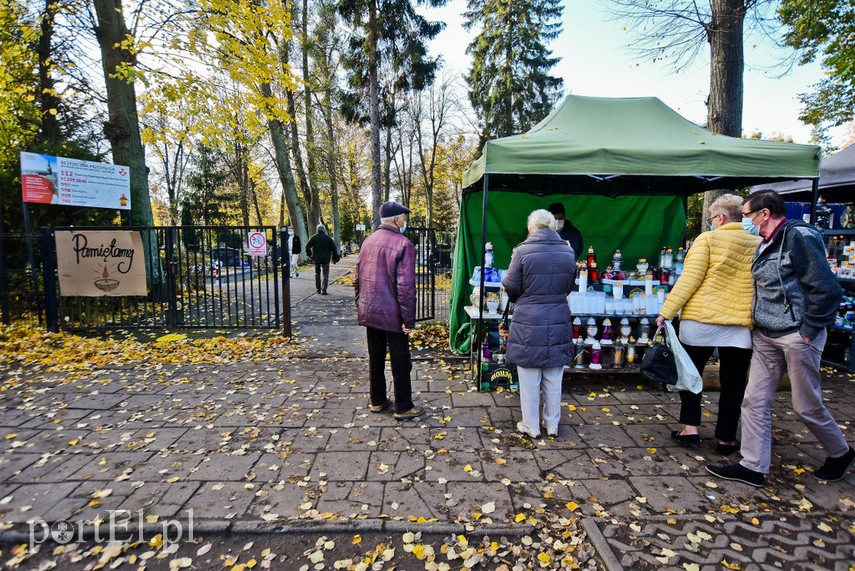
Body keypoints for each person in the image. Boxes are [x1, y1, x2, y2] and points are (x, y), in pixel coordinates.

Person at [708, 190, 854, 487]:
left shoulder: (798, 237)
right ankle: (753, 466)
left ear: (764, 214)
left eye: (748, 215)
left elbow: (827, 289)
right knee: (754, 401)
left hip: (797, 335)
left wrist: (809, 329)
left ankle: (840, 452)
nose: (744, 220)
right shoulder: (764, 243)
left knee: (806, 405)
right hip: (765, 335)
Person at [656, 194, 760, 455]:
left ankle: (690, 429)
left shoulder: (708, 239)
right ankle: (726, 438)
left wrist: (666, 312)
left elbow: (689, 280)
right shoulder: (758, 242)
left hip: (701, 320)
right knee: (734, 382)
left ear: (720, 217)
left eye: (712, 218)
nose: (711, 222)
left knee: (691, 375)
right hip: (738, 323)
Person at [502, 209, 576, 438]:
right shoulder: (568, 251)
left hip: (528, 319)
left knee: (530, 378)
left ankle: (531, 426)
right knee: (554, 377)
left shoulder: (523, 251)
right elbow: (569, 287)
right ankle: (552, 425)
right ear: (553, 226)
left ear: (531, 227)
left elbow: (511, 286)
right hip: (558, 317)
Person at [354, 201, 422, 420]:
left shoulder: (368, 241)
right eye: (403, 217)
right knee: (401, 360)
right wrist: (408, 320)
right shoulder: (404, 245)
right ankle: (403, 407)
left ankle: (378, 401)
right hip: (393, 314)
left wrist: (361, 304)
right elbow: (406, 287)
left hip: (370, 310)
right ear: (395, 220)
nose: (404, 221)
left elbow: (356, 279)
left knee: (376, 357)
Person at [305, 224, 339, 295]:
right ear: (324, 230)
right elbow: (334, 249)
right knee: (325, 274)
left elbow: (307, 246)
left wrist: (309, 255)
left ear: (317, 230)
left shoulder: (314, 238)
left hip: (316, 258)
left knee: (317, 274)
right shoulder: (328, 238)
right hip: (326, 259)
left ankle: (318, 289)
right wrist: (335, 257)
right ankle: (324, 289)